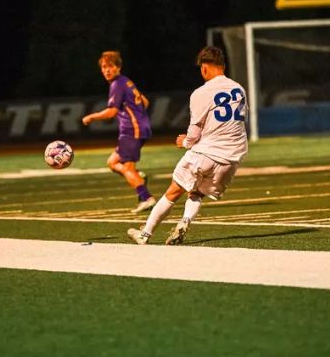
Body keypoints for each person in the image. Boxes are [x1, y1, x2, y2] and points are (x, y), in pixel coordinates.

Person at [127, 46, 247, 245]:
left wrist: (185, 142)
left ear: (204, 67)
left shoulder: (201, 92)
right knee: (197, 192)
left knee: (173, 192)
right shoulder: (239, 89)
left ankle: (145, 233)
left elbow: (195, 130)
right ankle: (185, 220)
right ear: (223, 66)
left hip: (206, 153)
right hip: (232, 158)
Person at [82, 51, 156, 213]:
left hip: (131, 130)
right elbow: (145, 101)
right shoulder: (126, 81)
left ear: (118, 67)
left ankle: (146, 198)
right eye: (104, 67)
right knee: (112, 162)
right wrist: (138, 115)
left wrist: (91, 117)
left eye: (110, 66)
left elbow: (111, 112)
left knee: (127, 168)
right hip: (138, 128)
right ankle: (139, 178)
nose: (107, 70)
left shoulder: (117, 84)